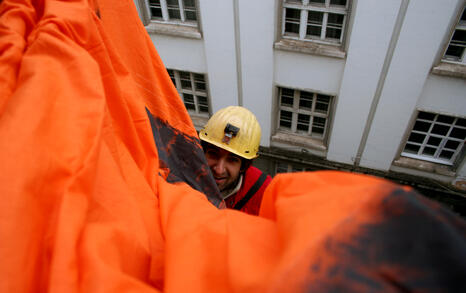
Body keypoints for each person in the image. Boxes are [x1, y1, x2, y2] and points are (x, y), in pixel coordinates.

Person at [199, 106, 272, 215]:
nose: (219, 170)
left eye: (232, 160)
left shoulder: (264, 193)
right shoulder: (180, 175)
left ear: (243, 166)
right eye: (213, 154)